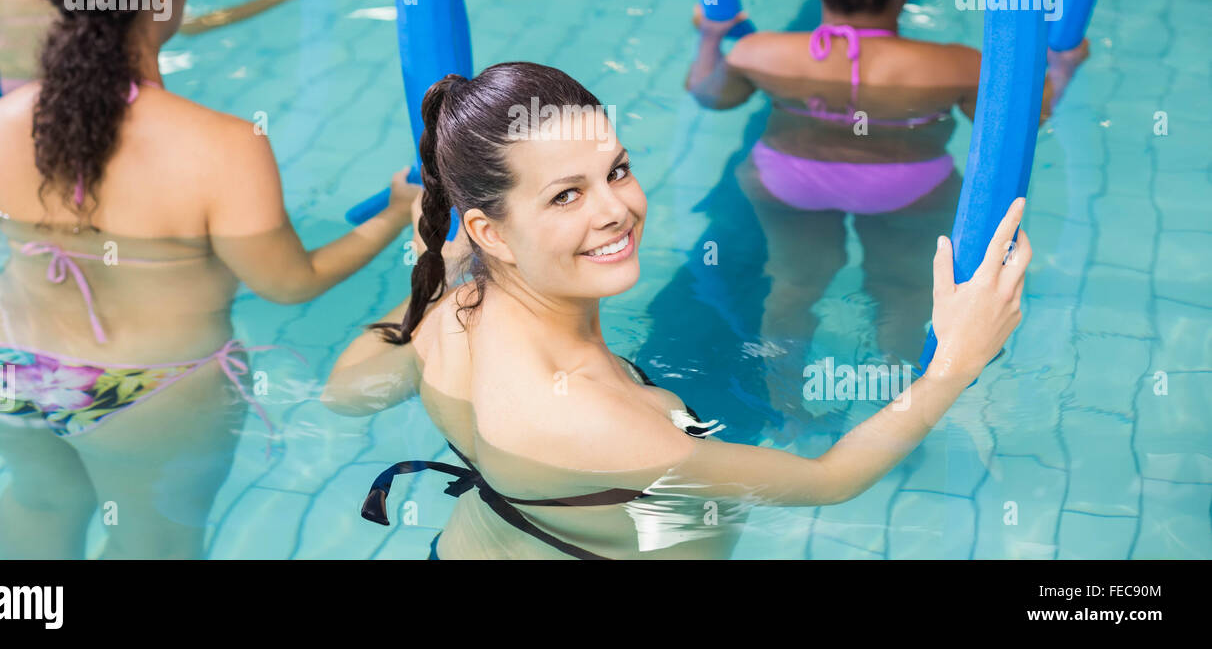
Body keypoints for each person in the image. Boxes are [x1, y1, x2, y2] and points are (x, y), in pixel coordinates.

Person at [0, 0, 420, 559]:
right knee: (153, 540)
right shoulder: (224, 146)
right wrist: (395, 215)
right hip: (148, 390)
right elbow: (289, 284)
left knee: (41, 499)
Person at [322, 62, 1031, 559]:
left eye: (617, 171)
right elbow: (831, 482)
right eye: (566, 196)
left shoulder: (452, 314)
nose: (616, 211)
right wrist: (953, 365)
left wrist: (436, 268)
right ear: (491, 232)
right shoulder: (598, 420)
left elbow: (346, 393)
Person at [682, 0, 1087, 414]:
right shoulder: (957, 64)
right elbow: (1024, 120)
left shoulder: (763, 53)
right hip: (907, 187)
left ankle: (788, 413)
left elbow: (710, 96)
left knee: (793, 283)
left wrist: (711, 35)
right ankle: (898, 417)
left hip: (789, 179)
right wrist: (1060, 66)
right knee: (903, 290)